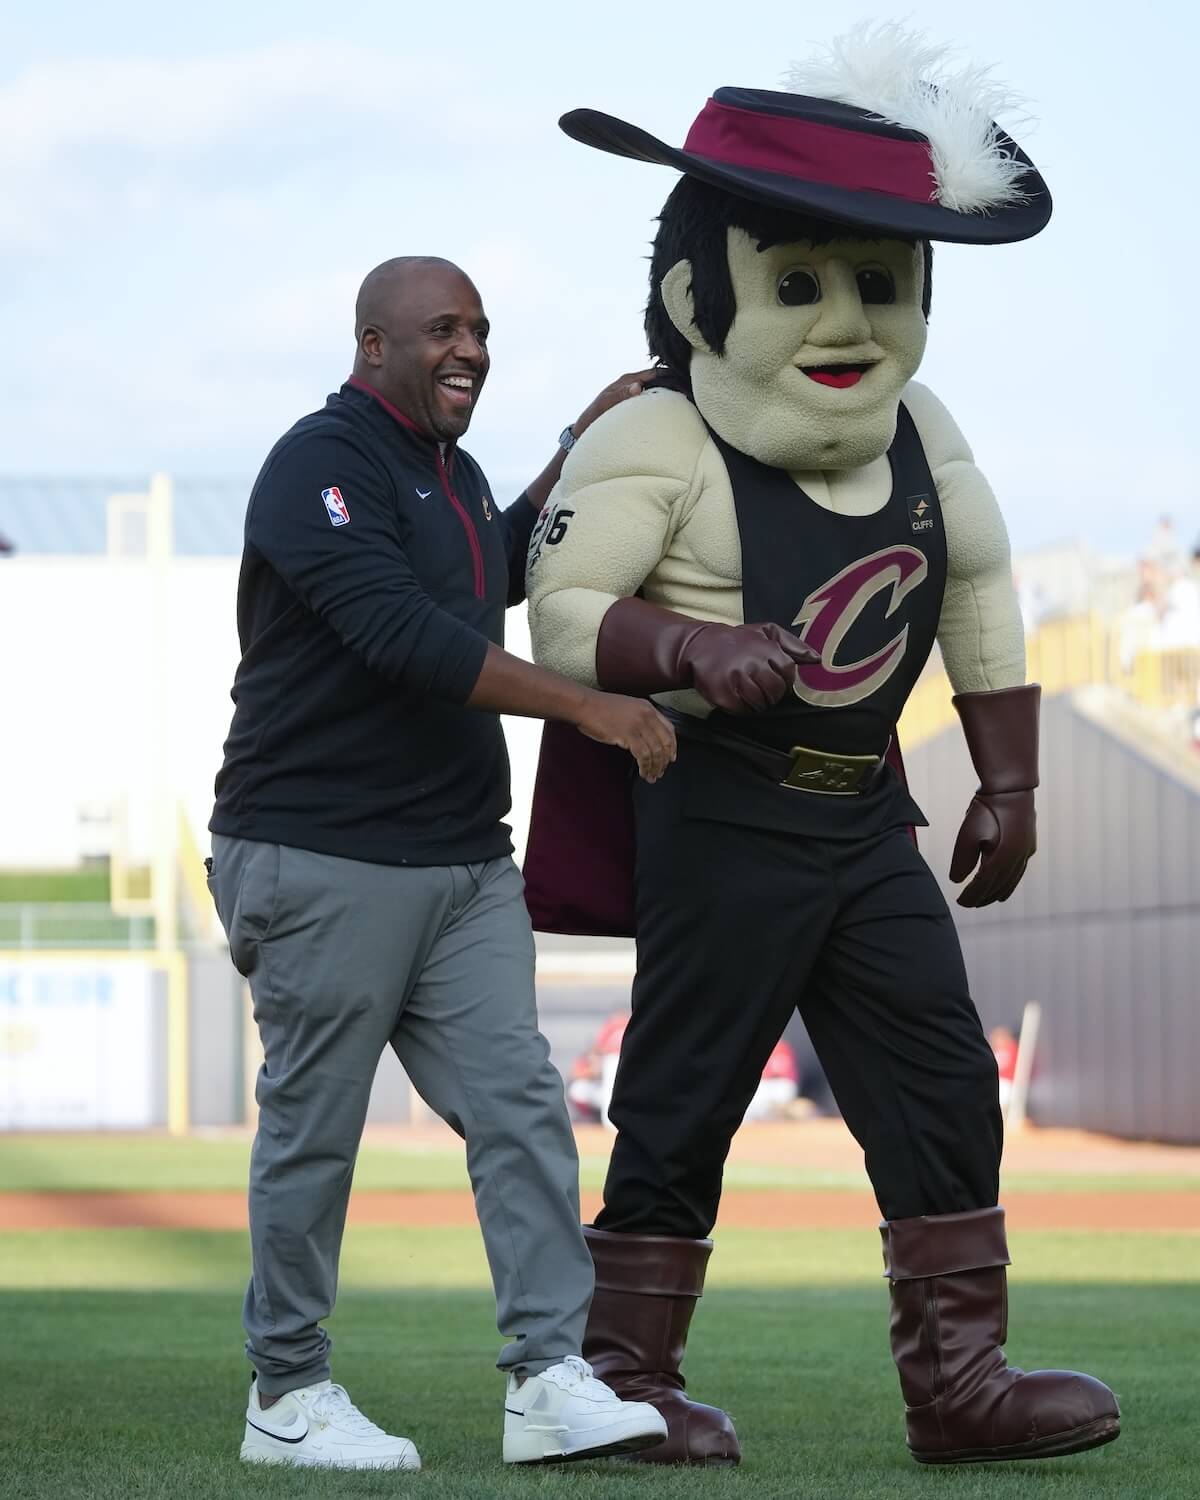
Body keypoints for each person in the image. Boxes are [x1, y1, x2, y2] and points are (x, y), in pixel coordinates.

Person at [524, 25, 1120, 1468]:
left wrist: (1011, 773)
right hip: (720, 814)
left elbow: (975, 579)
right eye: (796, 284)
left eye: (878, 281)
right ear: (695, 291)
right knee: (684, 1094)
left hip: (865, 822)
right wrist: (688, 649)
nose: (845, 320)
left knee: (937, 1081)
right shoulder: (657, 437)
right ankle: (624, 1375)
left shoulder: (923, 427)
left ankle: (959, 1385)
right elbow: (560, 612)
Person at [206, 255, 673, 1472]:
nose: (466, 347)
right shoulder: (321, 463)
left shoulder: (452, 475)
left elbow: (488, 577)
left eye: (479, 329)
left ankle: (547, 1381)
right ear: (373, 346)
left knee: (521, 1107)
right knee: (316, 1127)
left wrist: (578, 443)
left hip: (463, 865)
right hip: (319, 850)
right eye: (440, 330)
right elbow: (402, 635)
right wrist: (589, 707)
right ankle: (287, 1393)